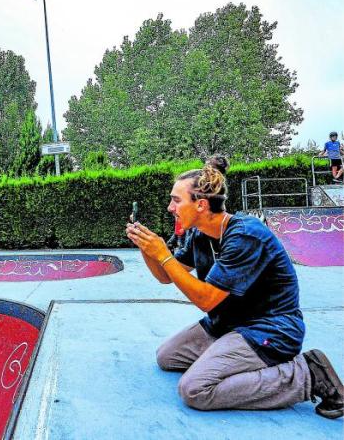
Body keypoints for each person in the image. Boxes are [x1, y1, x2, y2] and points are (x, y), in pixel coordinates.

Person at [125, 156, 343, 419]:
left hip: (270, 329)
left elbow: (206, 300)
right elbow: (167, 276)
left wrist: (163, 254)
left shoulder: (244, 236)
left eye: (176, 200)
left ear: (201, 205)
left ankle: (306, 374)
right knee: (167, 357)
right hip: (229, 324)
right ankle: (232, 357)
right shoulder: (199, 233)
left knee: (195, 390)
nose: (171, 207)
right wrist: (148, 249)